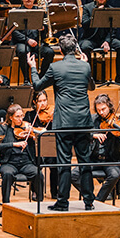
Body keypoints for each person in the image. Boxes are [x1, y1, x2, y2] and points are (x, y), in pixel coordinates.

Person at [28, 34, 94, 212]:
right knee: (84, 161)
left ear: (60, 50)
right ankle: (89, 201)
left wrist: (33, 68)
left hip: (64, 121)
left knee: (64, 162)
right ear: (75, 49)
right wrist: (85, 64)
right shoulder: (85, 65)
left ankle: (63, 202)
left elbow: (37, 86)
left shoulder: (55, 67)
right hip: (83, 121)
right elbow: (91, 87)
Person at [80, 0, 120, 85]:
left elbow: (113, 30)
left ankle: (119, 76)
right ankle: (89, 77)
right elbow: (84, 24)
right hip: (90, 39)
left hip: (104, 39)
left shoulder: (110, 10)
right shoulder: (87, 8)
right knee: (85, 47)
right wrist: (96, 13)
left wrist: (107, 41)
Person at [0, 104, 43, 204]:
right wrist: (14, 144)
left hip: (26, 163)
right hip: (9, 163)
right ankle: (6, 205)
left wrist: (34, 137)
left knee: (38, 173)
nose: (20, 119)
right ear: (11, 117)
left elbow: (38, 143)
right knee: (7, 174)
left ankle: (40, 204)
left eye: (22, 116)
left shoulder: (27, 129)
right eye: (17, 116)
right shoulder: (3, 129)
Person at [88, 94, 120, 204]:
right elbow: (83, 133)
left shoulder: (116, 122)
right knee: (74, 174)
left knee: (114, 175)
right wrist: (93, 135)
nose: (101, 112)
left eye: (103, 109)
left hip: (110, 160)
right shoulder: (93, 120)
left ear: (109, 107)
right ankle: (90, 197)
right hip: (94, 159)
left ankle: (98, 201)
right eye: (98, 110)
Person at [9, 0, 53, 80]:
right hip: (22, 42)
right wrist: (28, 40)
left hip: (37, 42)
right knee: (23, 51)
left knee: (50, 52)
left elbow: (46, 29)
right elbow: (14, 32)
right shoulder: (16, 12)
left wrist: (43, 29)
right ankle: (27, 80)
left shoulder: (41, 11)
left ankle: (41, 78)